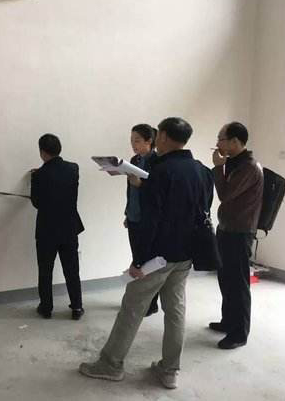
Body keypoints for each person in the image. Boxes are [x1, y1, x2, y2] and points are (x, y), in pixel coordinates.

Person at [79, 117, 210, 390]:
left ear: (163, 137)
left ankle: (110, 364)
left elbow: (151, 221)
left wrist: (138, 261)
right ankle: (169, 370)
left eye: (157, 135)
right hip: (185, 254)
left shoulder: (161, 172)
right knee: (175, 311)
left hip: (158, 257)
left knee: (132, 308)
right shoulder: (201, 170)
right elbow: (201, 211)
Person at [210, 122, 263, 350]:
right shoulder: (235, 162)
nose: (217, 143)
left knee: (238, 283)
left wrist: (217, 168)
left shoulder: (249, 167)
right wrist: (222, 166)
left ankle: (239, 333)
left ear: (234, 141)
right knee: (225, 278)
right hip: (227, 228)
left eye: (221, 139)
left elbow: (225, 194)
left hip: (240, 232)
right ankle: (228, 321)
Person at [30, 133, 85, 320]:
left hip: (47, 230)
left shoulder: (39, 175)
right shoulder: (73, 168)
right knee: (72, 270)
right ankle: (77, 307)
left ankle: (46, 308)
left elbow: (36, 202)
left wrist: (34, 178)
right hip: (69, 227)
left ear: (42, 152)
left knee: (45, 271)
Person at [123, 124, 159, 316]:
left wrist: (142, 185)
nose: (133, 144)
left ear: (149, 141)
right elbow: (130, 190)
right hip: (134, 216)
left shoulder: (157, 161)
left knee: (148, 262)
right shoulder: (134, 160)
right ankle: (142, 300)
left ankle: (151, 304)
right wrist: (127, 213)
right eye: (131, 140)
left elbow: (157, 193)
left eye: (137, 140)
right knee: (137, 258)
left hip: (148, 219)